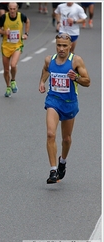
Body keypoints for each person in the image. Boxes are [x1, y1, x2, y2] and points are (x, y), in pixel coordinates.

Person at [38, 33, 90, 184]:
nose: (61, 49)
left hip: (69, 103)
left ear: (70, 46)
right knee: (50, 134)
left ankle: (63, 162)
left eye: (64, 46)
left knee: (66, 139)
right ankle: (53, 170)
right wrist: (42, 81)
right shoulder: (49, 59)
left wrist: (77, 78)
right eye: (58, 45)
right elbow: (46, 69)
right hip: (53, 101)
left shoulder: (76, 61)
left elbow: (88, 82)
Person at [0, 2, 30, 97]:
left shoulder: (21, 16)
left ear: (17, 8)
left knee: (13, 65)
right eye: (10, 9)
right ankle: (8, 87)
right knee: (6, 70)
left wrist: (26, 34)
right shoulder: (4, 17)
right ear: (8, 8)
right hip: (6, 46)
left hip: (17, 45)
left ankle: (13, 80)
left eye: (14, 9)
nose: (12, 11)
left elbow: (27, 21)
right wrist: (4, 32)